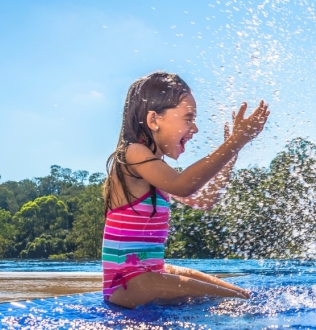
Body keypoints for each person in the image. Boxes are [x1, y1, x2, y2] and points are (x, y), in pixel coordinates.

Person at [102, 72, 270, 308]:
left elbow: (204, 200)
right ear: (154, 120)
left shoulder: (157, 171)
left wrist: (233, 152)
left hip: (151, 271)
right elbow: (184, 184)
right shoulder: (132, 154)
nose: (195, 129)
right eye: (188, 119)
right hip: (127, 283)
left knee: (241, 295)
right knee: (234, 301)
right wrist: (236, 141)